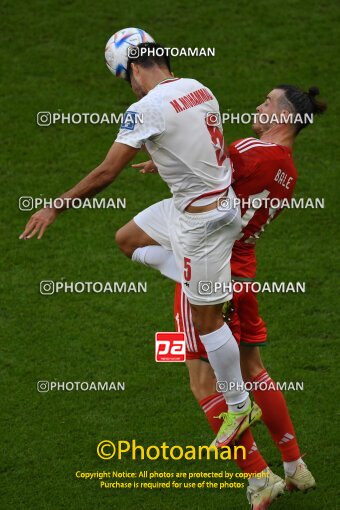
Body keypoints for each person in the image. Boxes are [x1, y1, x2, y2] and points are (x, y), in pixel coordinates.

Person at [20, 42, 258, 446]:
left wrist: (55, 208)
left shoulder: (146, 107)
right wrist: (163, 158)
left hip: (203, 223)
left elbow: (107, 172)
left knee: (207, 322)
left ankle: (240, 405)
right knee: (127, 239)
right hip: (197, 206)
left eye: (123, 78)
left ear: (133, 70)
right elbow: (198, 139)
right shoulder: (199, 87)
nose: (128, 87)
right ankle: (199, 282)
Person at [136, 84, 327, 509]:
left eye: (267, 102)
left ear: (284, 117)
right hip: (244, 273)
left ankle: (259, 477)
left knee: (202, 379)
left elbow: (206, 169)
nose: (258, 105)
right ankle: (295, 465)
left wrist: (162, 154)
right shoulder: (289, 170)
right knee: (253, 367)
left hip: (210, 270)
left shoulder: (252, 149)